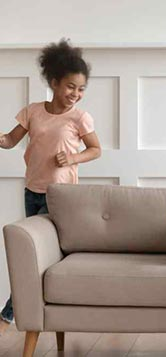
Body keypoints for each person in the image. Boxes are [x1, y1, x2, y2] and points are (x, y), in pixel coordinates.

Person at [0, 39, 101, 333]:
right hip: (32, 191)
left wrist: (71, 157)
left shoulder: (79, 117)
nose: (76, 94)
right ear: (54, 83)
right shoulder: (32, 111)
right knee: (33, 256)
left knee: (39, 257)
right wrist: (1, 140)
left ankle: (7, 316)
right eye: (71, 87)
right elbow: (10, 140)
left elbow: (95, 149)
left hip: (60, 196)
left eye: (81, 89)